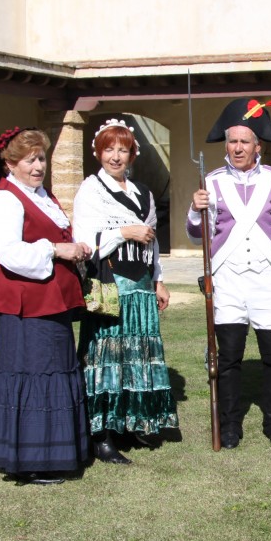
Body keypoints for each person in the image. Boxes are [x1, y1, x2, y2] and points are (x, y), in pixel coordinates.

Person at [186, 95, 271, 449]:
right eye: (232, 141)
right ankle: (231, 424)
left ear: (258, 147)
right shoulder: (212, 181)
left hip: (268, 280)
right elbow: (198, 236)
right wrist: (195, 210)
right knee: (229, 358)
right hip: (228, 280)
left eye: (244, 142)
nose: (237, 148)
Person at [0, 127, 92, 484]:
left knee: (56, 369)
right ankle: (29, 460)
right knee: (33, 373)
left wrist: (75, 247)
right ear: (10, 163)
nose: (38, 165)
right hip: (26, 305)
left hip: (51, 300)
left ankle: (55, 452)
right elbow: (10, 253)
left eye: (41, 158)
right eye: (29, 159)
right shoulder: (5, 200)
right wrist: (55, 249)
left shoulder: (42, 196)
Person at [73, 119, 178, 464]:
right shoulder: (91, 190)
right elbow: (85, 243)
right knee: (108, 359)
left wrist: (158, 279)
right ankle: (102, 435)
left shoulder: (143, 192)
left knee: (136, 357)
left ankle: (131, 422)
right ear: (98, 152)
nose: (116, 156)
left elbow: (153, 240)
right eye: (109, 149)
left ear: (133, 153)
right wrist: (123, 233)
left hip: (141, 288)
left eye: (123, 149)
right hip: (111, 288)